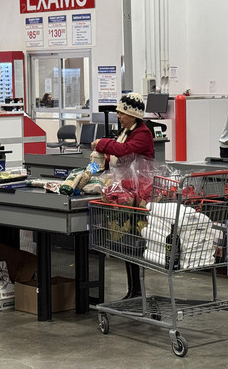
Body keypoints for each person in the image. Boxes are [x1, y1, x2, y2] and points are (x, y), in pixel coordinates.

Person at [90, 93, 154, 300]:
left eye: (121, 112)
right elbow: (115, 156)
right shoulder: (126, 131)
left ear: (133, 115)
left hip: (138, 196)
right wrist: (97, 164)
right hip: (124, 193)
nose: (118, 115)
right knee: (126, 244)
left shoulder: (142, 134)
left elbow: (124, 150)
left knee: (133, 243)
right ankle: (133, 290)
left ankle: (137, 290)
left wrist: (102, 143)